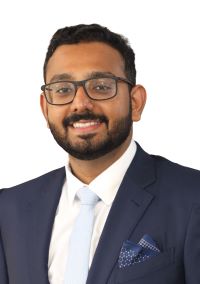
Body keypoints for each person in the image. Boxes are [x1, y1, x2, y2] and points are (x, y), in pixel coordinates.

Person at [0, 24, 200, 284]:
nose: (81, 103)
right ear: (45, 108)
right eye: (62, 89)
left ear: (135, 102)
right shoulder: (9, 209)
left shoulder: (192, 197)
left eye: (101, 86)